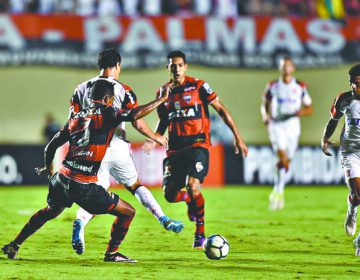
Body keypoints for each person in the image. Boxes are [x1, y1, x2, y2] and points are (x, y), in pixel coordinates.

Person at [1, 79, 170, 262]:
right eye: (112, 99)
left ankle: (15, 244)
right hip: (83, 185)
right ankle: (111, 254)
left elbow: (50, 147)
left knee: (50, 211)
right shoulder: (109, 112)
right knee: (128, 212)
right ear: (107, 99)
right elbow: (134, 115)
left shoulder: (76, 116)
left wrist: (50, 170)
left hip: (62, 178)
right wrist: (161, 100)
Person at [69, 48, 183, 255]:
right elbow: (136, 120)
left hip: (91, 152)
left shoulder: (81, 88)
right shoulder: (124, 90)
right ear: (118, 65)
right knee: (135, 186)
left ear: (99, 65)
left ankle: (80, 221)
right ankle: (163, 218)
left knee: (95, 194)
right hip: (117, 147)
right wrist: (156, 136)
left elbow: (72, 121)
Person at [143, 50, 248, 248]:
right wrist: (154, 137)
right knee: (170, 195)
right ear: (168, 68)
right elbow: (164, 119)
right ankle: (190, 200)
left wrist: (238, 137)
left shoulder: (199, 86)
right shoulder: (163, 92)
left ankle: (200, 234)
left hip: (197, 144)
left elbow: (222, 110)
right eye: (172, 65)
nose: (176, 68)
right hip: (175, 149)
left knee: (192, 185)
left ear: (185, 66)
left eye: (180, 65)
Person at [261, 56, 313, 210]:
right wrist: (265, 115)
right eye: (283, 65)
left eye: (288, 65)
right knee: (282, 157)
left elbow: (309, 107)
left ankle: (277, 190)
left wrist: (300, 113)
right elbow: (265, 102)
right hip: (277, 125)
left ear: (293, 68)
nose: (285, 68)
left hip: (293, 126)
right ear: (280, 68)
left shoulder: (300, 86)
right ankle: (279, 191)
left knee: (285, 162)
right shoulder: (273, 85)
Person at [321, 64, 360, 256]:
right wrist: (325, 138)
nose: (357, 88)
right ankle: (352, 211)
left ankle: (359, 240)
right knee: (358, 195)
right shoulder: (344, 99)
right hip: (351, 151)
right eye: (355, 84)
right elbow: (334, 121)